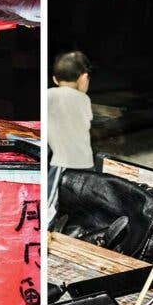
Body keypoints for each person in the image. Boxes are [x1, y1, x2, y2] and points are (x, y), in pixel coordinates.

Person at [47, 51, 94, 202]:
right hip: (86, 163)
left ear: (54, 79)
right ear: (83, 77)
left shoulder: (50, 94)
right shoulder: (84, 99)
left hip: (62, 162)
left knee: (52, 202)